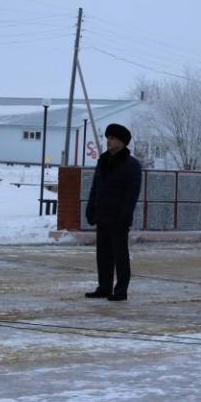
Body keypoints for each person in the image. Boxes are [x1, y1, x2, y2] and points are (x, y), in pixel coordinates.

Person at [84, 123, 142, 301]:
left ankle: (121, 290)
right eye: (107, 138)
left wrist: (125, 214)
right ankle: (104, 287)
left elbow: (132, 193)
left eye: (112, 138)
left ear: (122, 141)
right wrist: (90, 208)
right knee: (103, 255)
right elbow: (96, 187)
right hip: (102, 215)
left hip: (118, 218)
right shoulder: (103, 161)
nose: (108, 141)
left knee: (120, 254)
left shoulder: (131, 165)